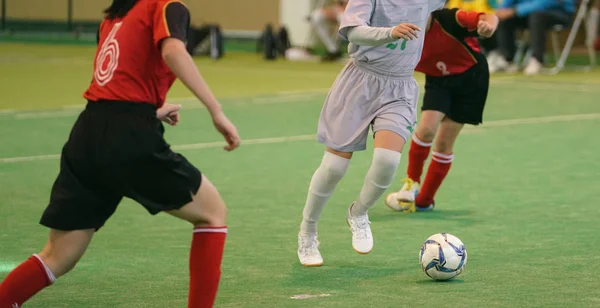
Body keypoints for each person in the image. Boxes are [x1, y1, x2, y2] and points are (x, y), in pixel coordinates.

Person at [0, 0, 240, 307]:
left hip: (87, 134)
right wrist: (216, 111)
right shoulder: (167, 6)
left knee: (57, 256)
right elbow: (172, 51)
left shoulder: (114, 17)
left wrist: (150, 110)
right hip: (128, 137)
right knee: (212, 212)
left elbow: (114, 86)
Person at [296, 0, 446, 267]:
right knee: (333, 168)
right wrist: (390, 31)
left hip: (399, 86)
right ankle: (308, 231)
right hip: (360, 83)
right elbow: (353, 31)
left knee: (388, 161)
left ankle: (359, 212)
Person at [385, 8, 498, 213]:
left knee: (444, 142)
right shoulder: (402, 34)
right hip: (438, 80)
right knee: (426, 130)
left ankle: (424, 201)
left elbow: (490, 17)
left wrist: (488, 27)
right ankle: (411, 185)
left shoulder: (449, 18)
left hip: (471, 79)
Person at [490, 0, 575, 75]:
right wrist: (501, 11)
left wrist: (515, 11)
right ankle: (507, 60)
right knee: (504, 19)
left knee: (536, 16)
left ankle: (537, 60)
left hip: (559, 12)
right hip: (529, 13)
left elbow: (545, 2)